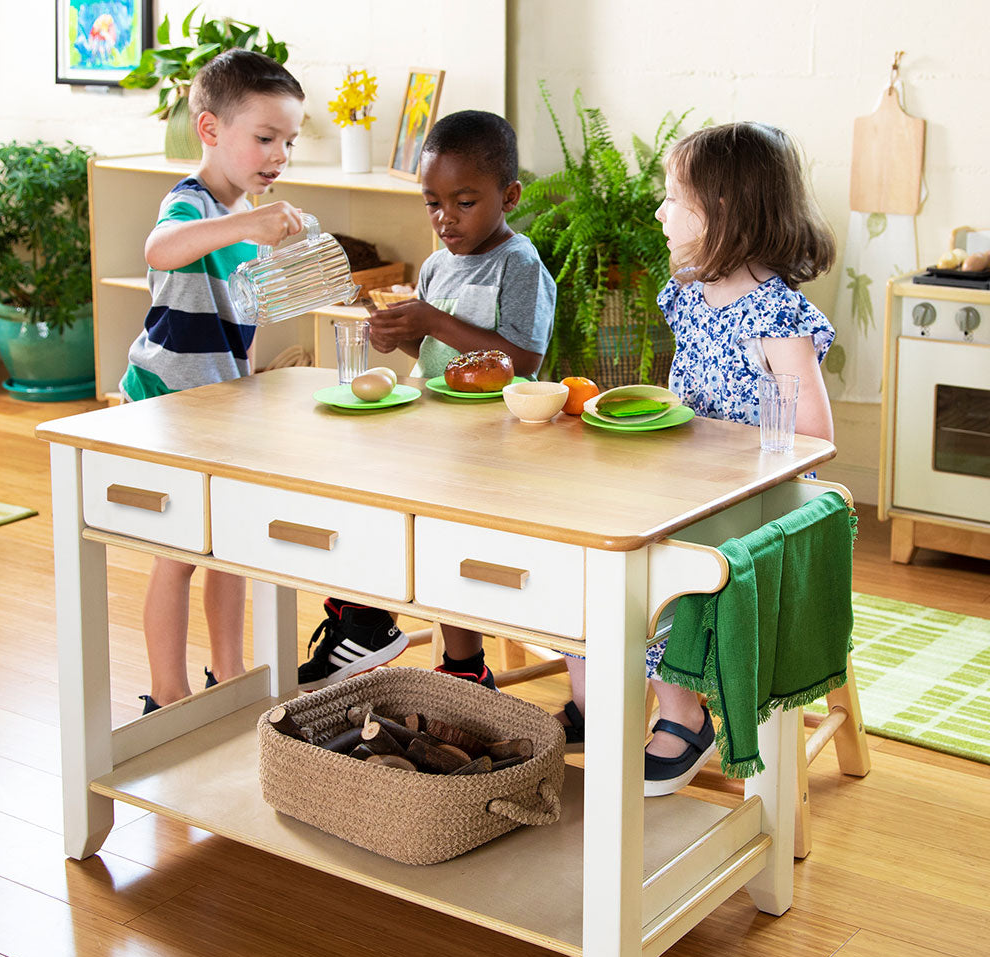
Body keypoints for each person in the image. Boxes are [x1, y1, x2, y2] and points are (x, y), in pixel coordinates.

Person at [560, 121, 837, 795]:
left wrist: (720, 453)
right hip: (688, 484)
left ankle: (684, 714)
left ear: (722, 211)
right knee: (588, 540)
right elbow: (687, 399)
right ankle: (598, 699)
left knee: (650, 562)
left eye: (672, 198)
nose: (659, 212)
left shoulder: (776, 314)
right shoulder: (691, 292)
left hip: (755, 503)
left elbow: (814, 435)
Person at [299, 109, 557, 692]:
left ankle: (462, 666)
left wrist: (433, 319)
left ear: (509, 196)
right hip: (434, 430)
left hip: (494, 443)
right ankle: (362, 615)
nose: (446, 218)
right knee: (363, 491)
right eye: (432, 203)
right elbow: (436, 352)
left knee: (450, 545)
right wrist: (401, 336)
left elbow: (522, 360)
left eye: (464, 202)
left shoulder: (519, 264)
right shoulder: (438, 265)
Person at [120, 50, 306, 713]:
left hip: (221, 407)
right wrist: (248, 225)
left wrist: (250, 387)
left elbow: (244, 322)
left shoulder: (248, 218)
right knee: (176, 553)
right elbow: (160, 249)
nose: (279, 155)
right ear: (209, 129)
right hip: (169, 406)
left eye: (289, 141)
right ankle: (165, 697)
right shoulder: (191, 203)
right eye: (265, 137)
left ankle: (228, 678)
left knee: (231, 547)